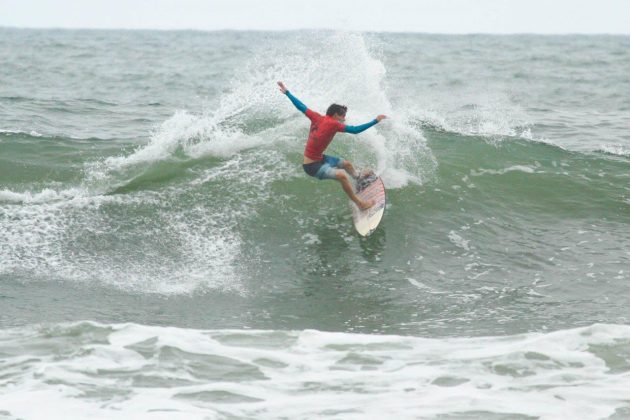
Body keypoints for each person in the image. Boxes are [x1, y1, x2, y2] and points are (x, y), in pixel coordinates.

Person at [277, 81, 386, 210]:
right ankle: (360, 204)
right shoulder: (334, 124)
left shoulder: (317, 117)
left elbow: (301, 106)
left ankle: (358, 179)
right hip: (311, 166)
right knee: (342, 176)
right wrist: (375, 121)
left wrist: (287, 93)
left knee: (346, 164)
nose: (344, 119)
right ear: (335, 115)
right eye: (343, 116)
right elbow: (355, 130)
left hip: (319, 158)